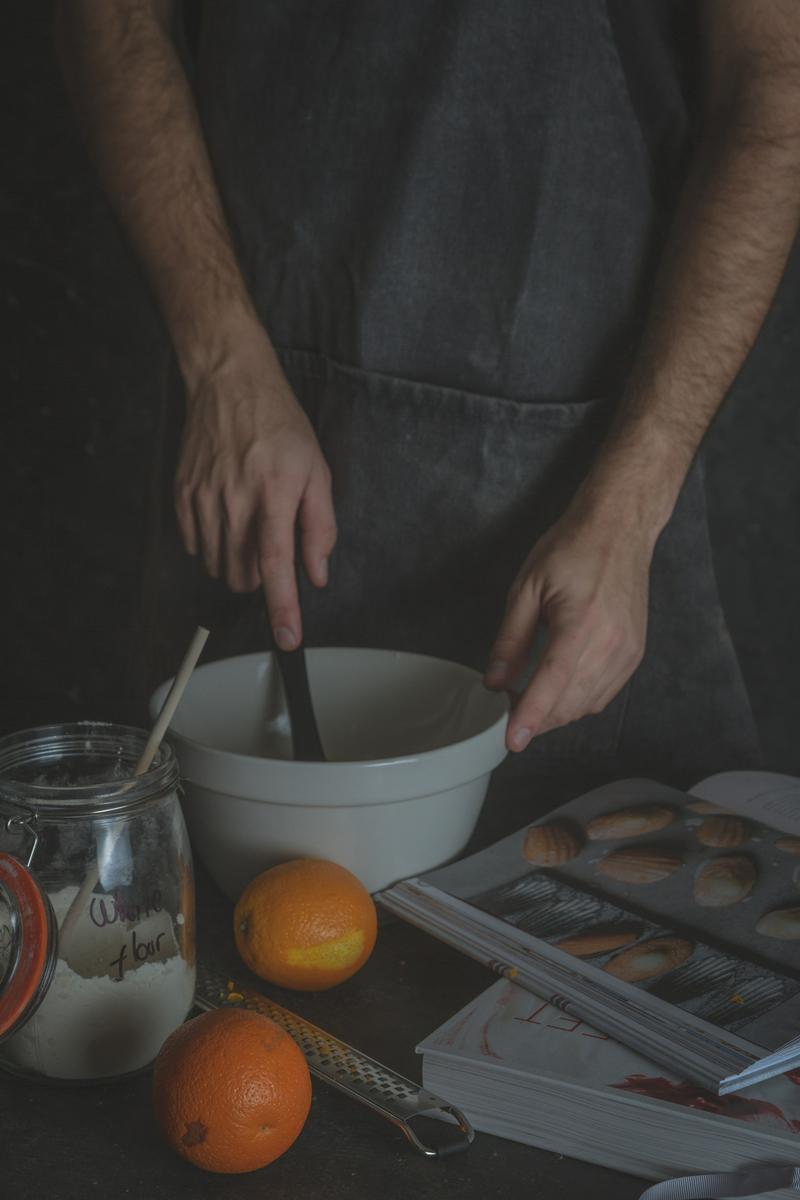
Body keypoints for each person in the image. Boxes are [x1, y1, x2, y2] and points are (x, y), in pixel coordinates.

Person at [55, 1, 800, 782]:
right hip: (255, 460)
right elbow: (106, 18)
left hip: (588, 503)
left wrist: (634, 497)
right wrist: (220, 359)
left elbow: (774, 90)